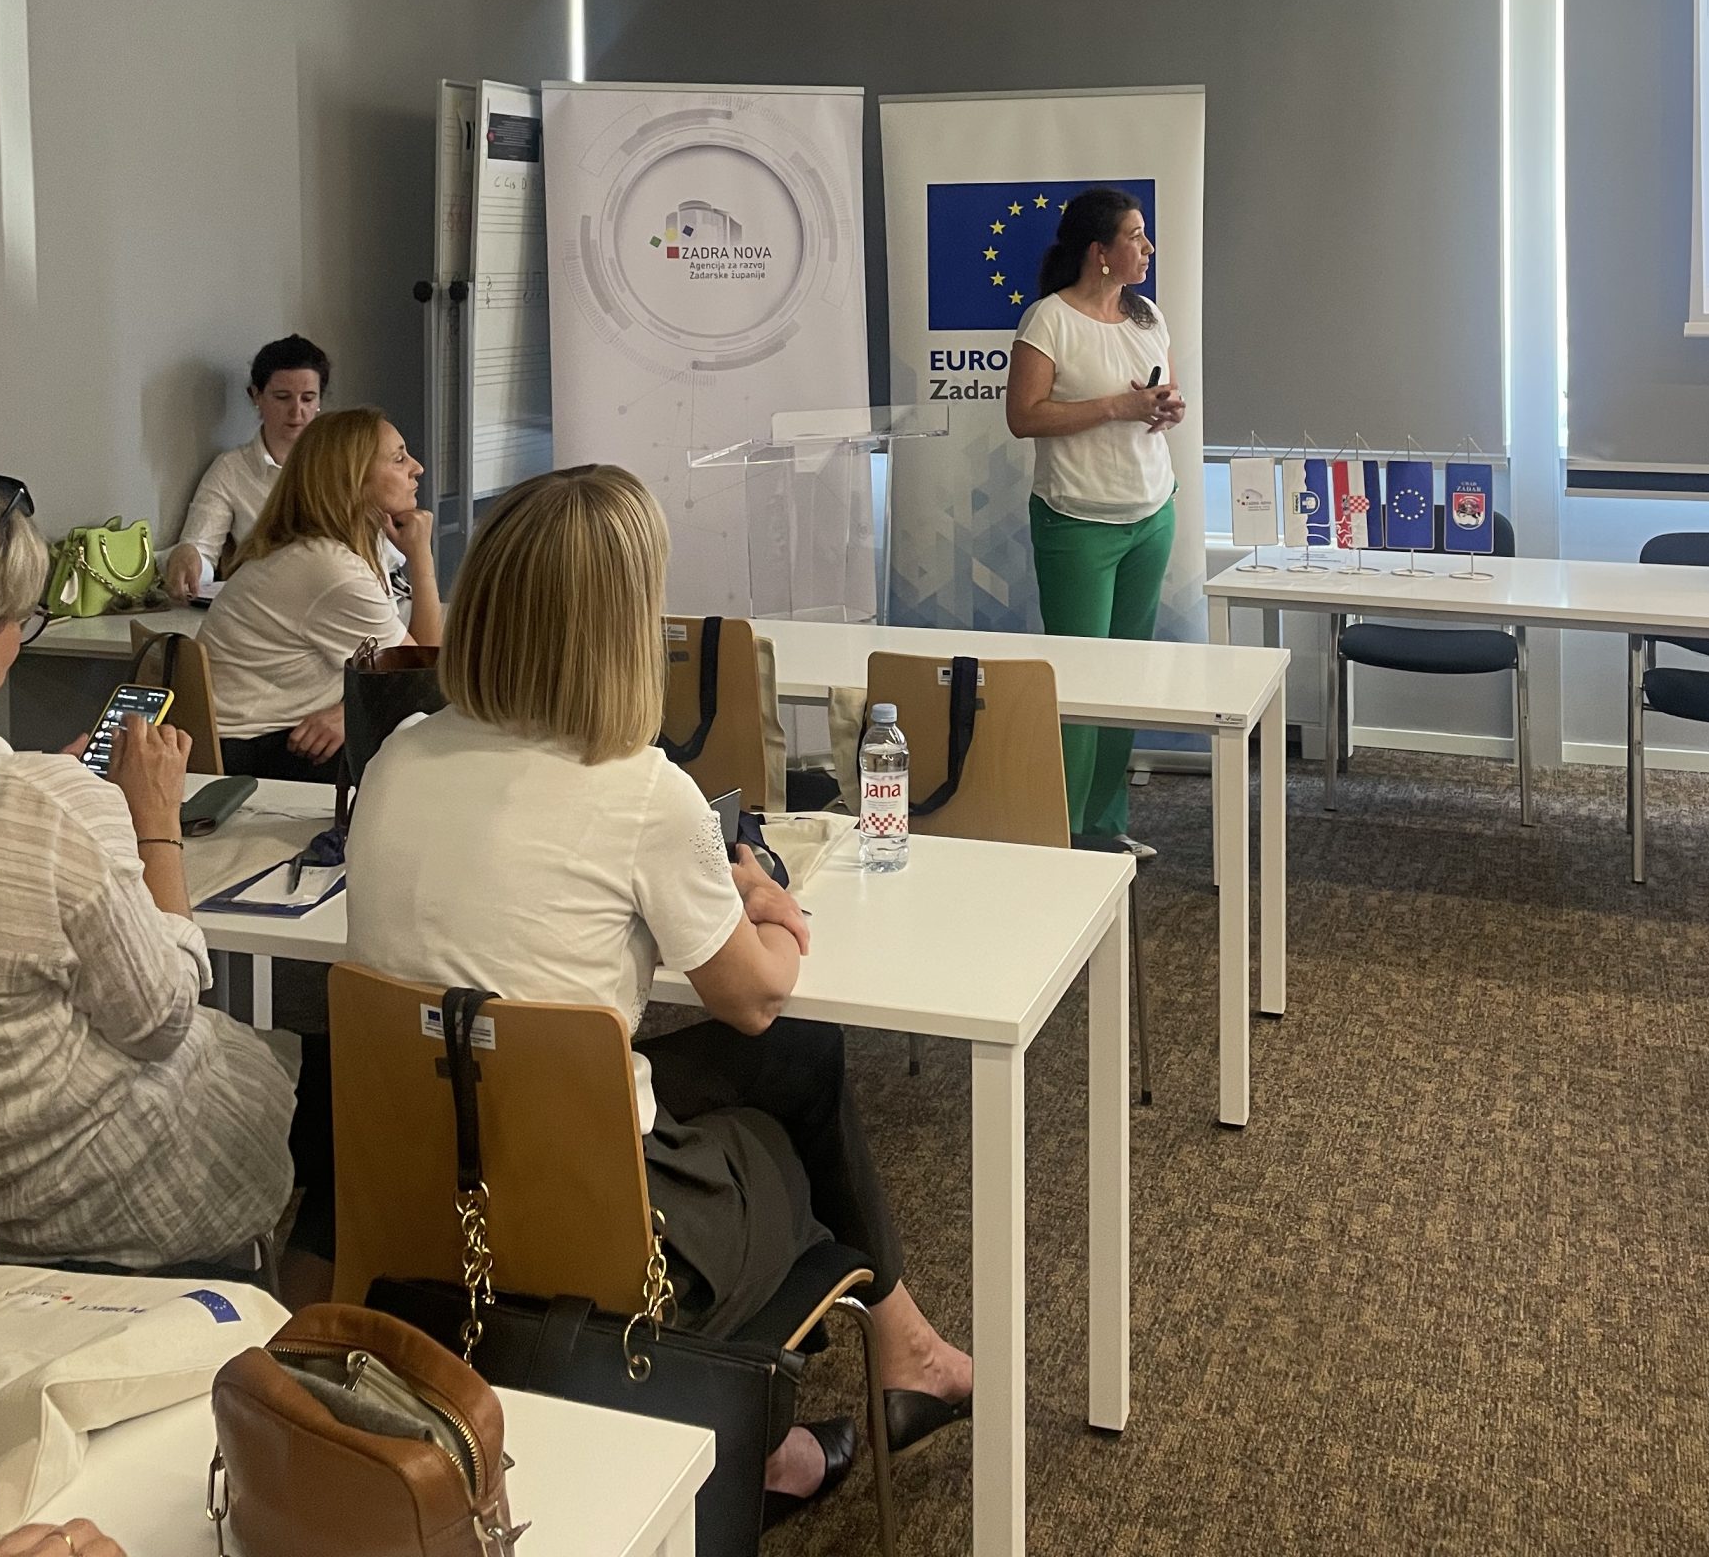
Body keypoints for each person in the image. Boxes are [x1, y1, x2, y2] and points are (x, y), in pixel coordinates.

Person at [346, 466, 972, 1518]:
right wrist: (768, 901)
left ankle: (896, 1355)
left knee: (792, 1063)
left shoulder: (399, 757)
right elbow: (757, 994)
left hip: (419, 1195)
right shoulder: (645, 792)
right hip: (604, 1235)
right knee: (783, 1145)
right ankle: (758, 1437)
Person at [0, 472, 295, 1270]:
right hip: (62, 1199)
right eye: (21, 621)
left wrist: (53, 788)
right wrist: (152, 822)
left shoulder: (46, 799)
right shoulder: (53, 808)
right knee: (263, 1060)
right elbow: (160, 1019)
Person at [1005, 188, 1188, 851]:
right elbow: (1024, 416)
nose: (1148, 248)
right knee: (1080, 683)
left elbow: (1159, 396)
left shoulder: (1147, 316)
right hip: (1077, 523)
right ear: (1099, 252)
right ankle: (1066, 833)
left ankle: (1108, 828)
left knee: (1125, 682)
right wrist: (1116, 407)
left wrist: (1166, 409)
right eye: (1136, 236)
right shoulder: (1048, 320)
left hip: (1150, 514)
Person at [198, 408, 441, 781]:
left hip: (247, 737)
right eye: (398, 458)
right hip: (255, 752)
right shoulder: (330, 569)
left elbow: (407, 669)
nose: (417, 468)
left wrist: (349, 712)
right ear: (353, 480)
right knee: (433, 746)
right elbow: (424, 674)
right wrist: (421, 556)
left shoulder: (306, 550)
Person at [164, 335, 331, 600]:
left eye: (308, 399)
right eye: (283, 397)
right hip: (268, 601)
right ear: (256, 395)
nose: (296, 411)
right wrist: (188, 556)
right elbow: (202, 549)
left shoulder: (341, 464)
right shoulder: (231, 469)